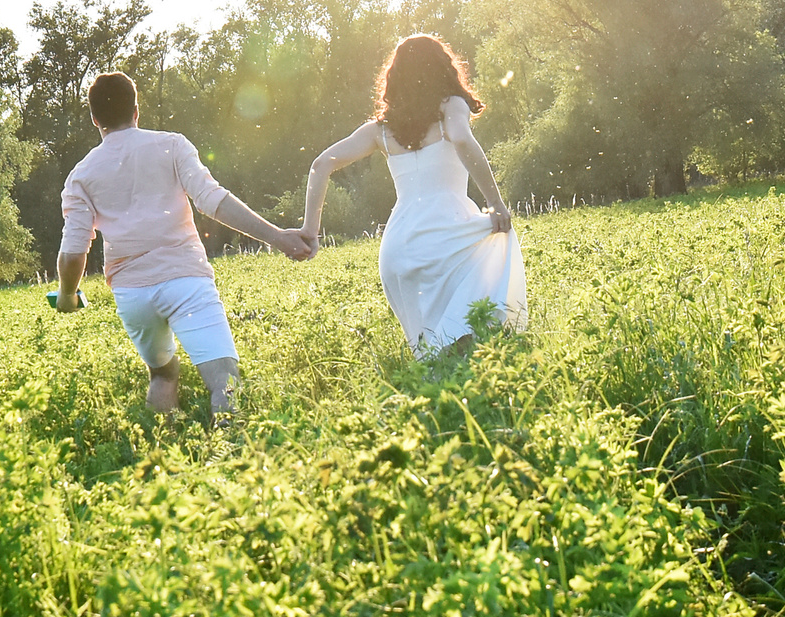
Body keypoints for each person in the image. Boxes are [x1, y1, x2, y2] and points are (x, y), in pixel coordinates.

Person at [54, 70, 313, 416]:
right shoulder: (171, 144)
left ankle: (162, 446)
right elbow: (212, 200)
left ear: (95, 119)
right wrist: (277, 237)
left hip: (133, 294)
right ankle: (230, 444)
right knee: (224, 379)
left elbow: (74, 251)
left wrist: (67, 294)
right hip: (186, 280)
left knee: (163, 374)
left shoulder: (81, 176)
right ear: (136, 111)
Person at [300, 33, 524, 356]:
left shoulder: (380, 131)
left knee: (431, 352)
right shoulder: (452, 106)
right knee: (470, 332)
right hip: (447, 236)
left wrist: (310, 230)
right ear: (442, 69)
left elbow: (321, 165)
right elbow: (462, 139)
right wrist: (495, 203)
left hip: (399, 249)